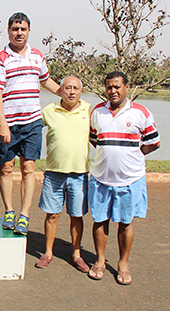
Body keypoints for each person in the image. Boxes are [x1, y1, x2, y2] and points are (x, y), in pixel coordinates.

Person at [0, 12, 60, 235]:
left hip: (32, 123)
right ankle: (9, 211)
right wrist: (3, 124)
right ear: (8, 31)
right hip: (9, 123)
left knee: (29, 168)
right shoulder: (0, 59)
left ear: (29, 31)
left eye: (23, 29)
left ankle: (24, 215)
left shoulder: (37, 56)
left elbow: (46, 80)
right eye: (15, 29)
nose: (19, 33)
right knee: (7, 167)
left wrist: (67, 94)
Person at [87, 71, 160, 285]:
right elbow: (94, 139)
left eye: (117, 86)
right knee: (99, 220)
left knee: (126, 223)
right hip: (101, 178)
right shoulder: (98, 111)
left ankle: (123, 264)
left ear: (127, 87)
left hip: (130, 179)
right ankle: (99, 261)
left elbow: (154, 142)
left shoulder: (141, 112)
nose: (113, 91)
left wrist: (133, 155)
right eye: (109, 87)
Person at [35, 76, 91, 273]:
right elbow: (31, 128)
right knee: (52, 215)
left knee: (77, 215)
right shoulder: (49, 111)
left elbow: (100, 136)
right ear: (61, 90)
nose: (72, 92)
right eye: (68, 88)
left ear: (81, 92)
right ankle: (48, 253)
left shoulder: (89, 110)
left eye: (76, 88)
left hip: (79, 174)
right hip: (54, 173)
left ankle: (76, 254)